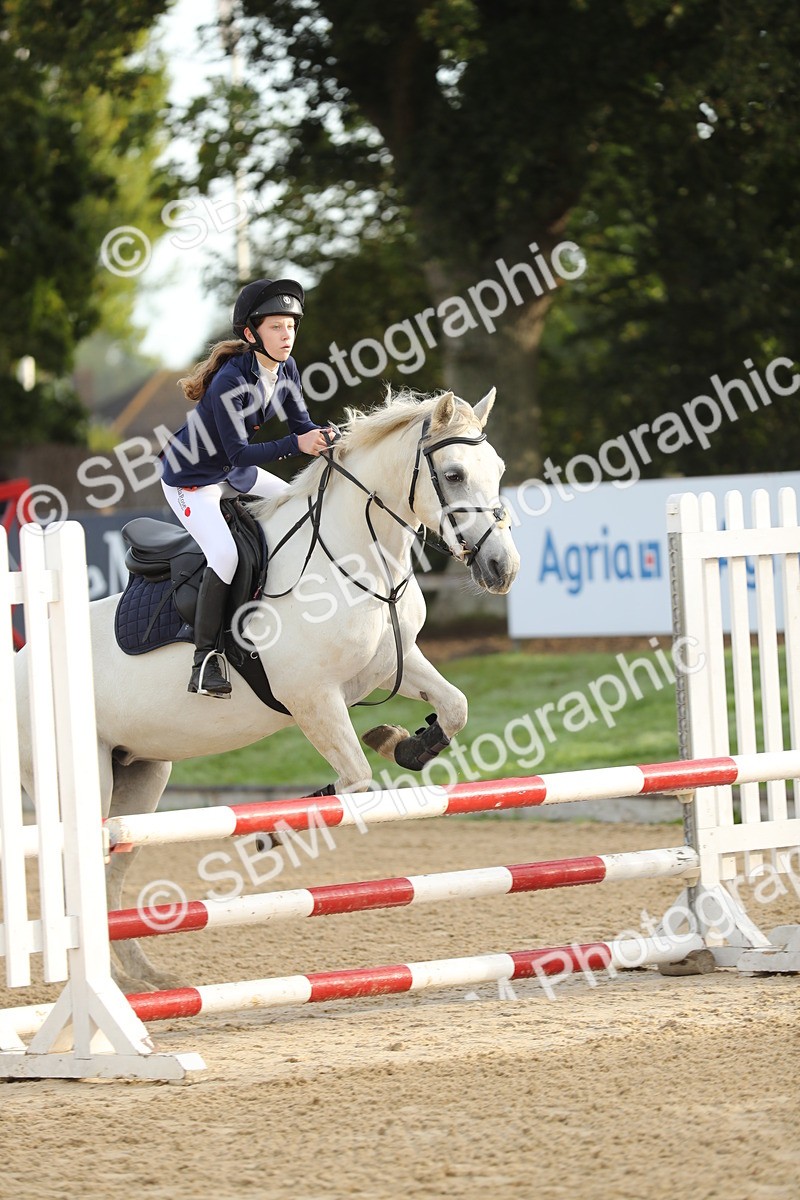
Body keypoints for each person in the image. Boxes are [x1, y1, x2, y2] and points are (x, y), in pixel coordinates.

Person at [160, 277, 333, 697]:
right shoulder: (230, 382)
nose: (287, 335)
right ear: (251, 333)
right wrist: (298, 444)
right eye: (276, 327)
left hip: (230, 474)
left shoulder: (287, 368)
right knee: (224, 553)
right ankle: (204, 661)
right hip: (191, 479)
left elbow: (301, 426)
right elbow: (240, 454)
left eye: (291, 326)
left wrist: (331, 437)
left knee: (300, 505)